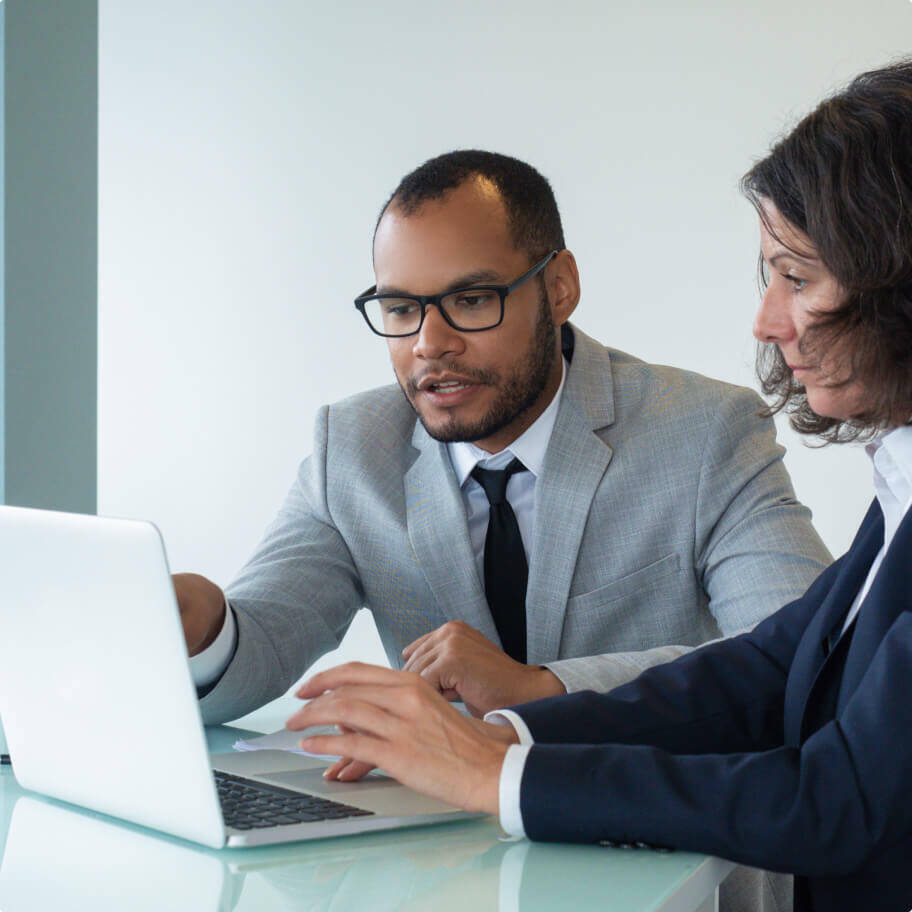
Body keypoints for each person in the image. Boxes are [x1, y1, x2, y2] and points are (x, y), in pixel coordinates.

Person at [285, 61, 912, 912]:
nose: (766, 321)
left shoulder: (707, 431)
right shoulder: (900, 485)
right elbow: (768, 669)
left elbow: (833, 803)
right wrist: (504, 735)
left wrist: (502, 774)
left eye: (796, 277)